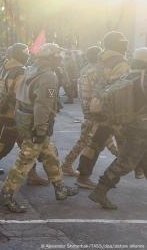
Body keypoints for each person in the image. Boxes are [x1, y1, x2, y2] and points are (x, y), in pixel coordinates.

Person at [0, 43, 79, 213]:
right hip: (36, 123)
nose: (60, 59)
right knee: (25, 161)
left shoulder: (32, 69)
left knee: (50, 154)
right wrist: (41, 130)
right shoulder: (49, 76)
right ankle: (6, 195)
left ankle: (60, 187)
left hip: (25, 118)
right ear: (52, 58)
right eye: (58, 56)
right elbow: (44, 104)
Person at [0, 43, 49, 189]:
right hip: (15, 115)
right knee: (4, 146)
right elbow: (19, 94)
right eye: (25, 53)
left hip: (3, 112)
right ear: (19, 55)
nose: (28, 55)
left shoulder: (3, 68)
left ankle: (31, 174)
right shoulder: (21, 71)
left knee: (25, 146)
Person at [88, 48, 147, 210]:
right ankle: (99, 190)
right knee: (125, 162)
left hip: (125, 125)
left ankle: (90, 180)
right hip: (140, 128)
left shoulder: (127, 76)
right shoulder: (143, 78)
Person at [75, 31, 130, 189]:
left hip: (97, 104)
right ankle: (106, 181)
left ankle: (85, 176)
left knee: (95, 142)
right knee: (131, 145)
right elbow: (120, 89)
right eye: (123, 42)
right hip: (113, 109)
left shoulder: (101, 59)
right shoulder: (120, 62)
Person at [61, 46, 118, 176]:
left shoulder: (83, 69)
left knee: (104, 136)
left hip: (86, 106)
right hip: (94, 109)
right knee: (89, 138)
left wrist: (57, 98)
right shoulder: (96, 72)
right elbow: (57, 85)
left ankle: (125, 161)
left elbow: (63, 83)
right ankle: (126, 162)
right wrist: (55, 99)